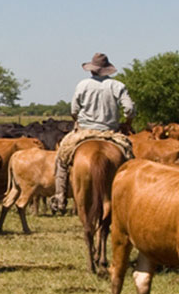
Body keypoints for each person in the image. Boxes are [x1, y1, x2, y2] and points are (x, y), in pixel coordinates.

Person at [49, 52, 135, 214]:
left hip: (84, 132)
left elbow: (74, 109)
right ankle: (130, 197)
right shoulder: (117, 86)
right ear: (107, 70)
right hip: (111, 132)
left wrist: (78, 120)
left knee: (61, 158)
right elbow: (129, 109)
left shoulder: (82, 85)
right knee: (129, 158)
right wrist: (127, 123)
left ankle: (60, 197)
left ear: (92, 70)